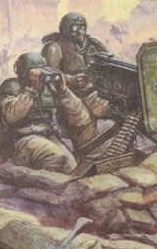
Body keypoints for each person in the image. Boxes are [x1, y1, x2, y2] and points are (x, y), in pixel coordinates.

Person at [0, 52, 94, 174]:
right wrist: (31, 91)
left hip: (48, 135)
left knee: (72, 165)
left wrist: (63, 91)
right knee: (56, 158)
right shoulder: (11, 85)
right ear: (23, 71)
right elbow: (11, 116)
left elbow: (77, 110)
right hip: (23, 138)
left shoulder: (48, 86)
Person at [41, 12, 114, 149]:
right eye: (75, 28)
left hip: (94, 93)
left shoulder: (94, 44)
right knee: (84, 123)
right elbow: (48, 76)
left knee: (119, 109)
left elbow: (110, 66)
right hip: (68, 98)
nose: (80, 31)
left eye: (82, 27)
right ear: (65, 29)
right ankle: (88, 153)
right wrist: (70, 80)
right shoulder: (54, 48)